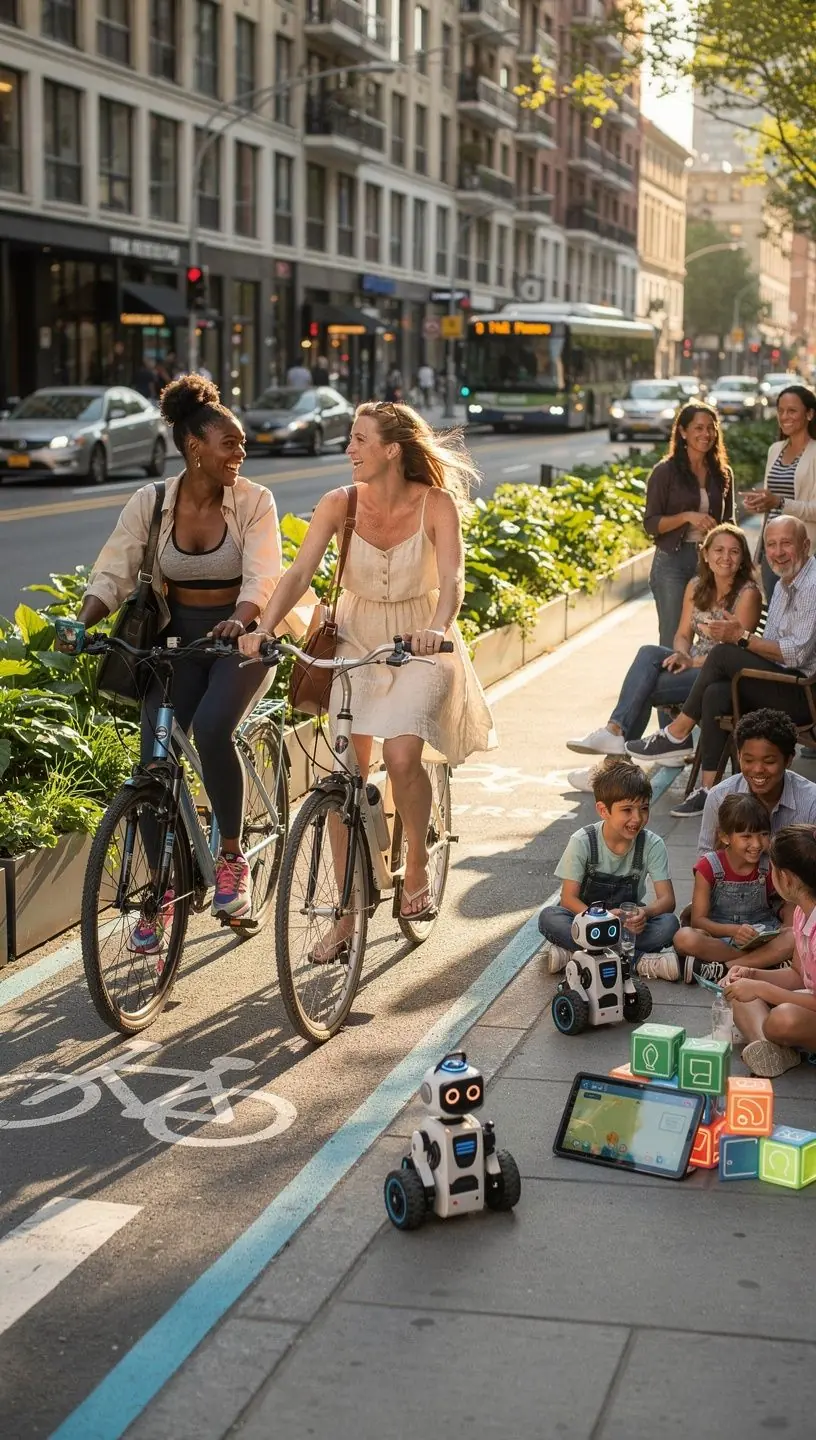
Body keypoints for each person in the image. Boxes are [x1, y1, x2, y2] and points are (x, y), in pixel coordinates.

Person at [55, 375, 297, 943]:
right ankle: (162, 888)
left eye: (241, 444)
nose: (241, 452)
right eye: (230, 444)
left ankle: (232, 856)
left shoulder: (255, 501)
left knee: (212, 730)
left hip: (240, 638)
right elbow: (114, 569)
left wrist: (243, 620)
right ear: (195, 447)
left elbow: (264, 574)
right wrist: (81, 622)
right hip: (173, 639)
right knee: (154, 758)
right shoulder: (153, 501)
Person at [239, 400, 495, 928]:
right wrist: (263, 628)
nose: (349, 449)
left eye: (359, 439)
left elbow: (453, 582)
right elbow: (298, 575)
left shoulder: (436, 505)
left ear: (391, 450)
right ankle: (347, 914)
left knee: (402, 757)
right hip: (354, 638)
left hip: (419, 639)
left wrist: (438, 629)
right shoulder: (340, 503)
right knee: (342, 775)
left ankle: (418, 864)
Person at [627, 516, 816, 804]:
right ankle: (709, 789)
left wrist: (741, 638)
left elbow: (796, 653)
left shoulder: (812, 585)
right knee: (717, 690)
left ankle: (677, 733)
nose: (778, 552)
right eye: (771, 544)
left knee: (723, 652)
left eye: (786, 543)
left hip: (804, 693)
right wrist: (743, 644)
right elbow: (771, 647)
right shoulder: (782, 585)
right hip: (779, 680)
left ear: (806, 545)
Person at [567, 523, 761, 758]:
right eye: (719, 550)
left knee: (644, 686)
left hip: (719, 675)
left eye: (734, 551)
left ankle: (614, 765)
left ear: (742, 559)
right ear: (706, 555)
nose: (726, 557)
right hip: (694, 664)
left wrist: (692, 662)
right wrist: (681, 654)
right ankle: (614, 735)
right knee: (648, 653)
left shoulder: (748, 593)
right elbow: (682, 635)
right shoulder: (696, 586)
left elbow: (735, 653)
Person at [538, 756, 681, 982]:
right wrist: (602, 918)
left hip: (627, 926)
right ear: (603, 810)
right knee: (549, 917)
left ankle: (578, 956)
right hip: (589, 920)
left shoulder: (652, 844)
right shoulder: (583, 841)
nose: (637, 818)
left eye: (644, 808)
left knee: (669, 924)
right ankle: (638, 961)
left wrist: (645, 913)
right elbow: (568, 899)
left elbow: (667, 900)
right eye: (627, 810)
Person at [725, 825, 816, 1077]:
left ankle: (775, 1044)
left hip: (806, 1010)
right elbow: (799, 975)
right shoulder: (800, 913)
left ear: (786, 878)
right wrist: (754, 975)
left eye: (772, 868)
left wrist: (763, 989)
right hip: (807, 1001)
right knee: (740, 990)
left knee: (784, 1019)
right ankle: (772, 1050)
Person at [643, 402, 736, 648]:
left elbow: (729, 522)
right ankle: (666, 686)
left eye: (711, 428)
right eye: (698, 428)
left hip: (710, 563)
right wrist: (687, 516)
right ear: (683, 432)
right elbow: (651, 523)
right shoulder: (665, 472)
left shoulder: (722, 473)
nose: (705, 434)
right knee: (673, 637)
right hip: (672, 563)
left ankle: (698, 685)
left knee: (711, 637)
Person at [672, 794, 785, 983]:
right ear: (725, 836)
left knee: (793, 935)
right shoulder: (708, 866)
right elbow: (698, 921)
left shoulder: (771, 865)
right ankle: (762, 962)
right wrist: (734, 931)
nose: (757, 844)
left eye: (763, 834)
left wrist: (784, 927)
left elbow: (787, 903)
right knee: (684, 938)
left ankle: (724, 968)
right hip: (723, 937)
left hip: (763, 934)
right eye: (746, 836)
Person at [695, 709, 816, 847]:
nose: (758, 769)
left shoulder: (812, 802)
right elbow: (706, 856)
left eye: (769, 761)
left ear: (788, 760)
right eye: (748, 760)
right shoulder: (719, 796)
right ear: (739, 755)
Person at [741, 383, 816, 600]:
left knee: (803, 628)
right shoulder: (775, 449)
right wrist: (759, 503)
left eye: (792, 411)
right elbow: (771, 502)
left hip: (804, 554)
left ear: (809, 414)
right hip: (772, 554)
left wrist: (779, 503)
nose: (785, 416)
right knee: (774, 624)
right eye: (781, 411)